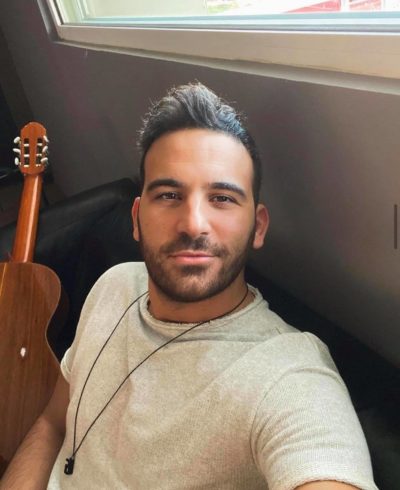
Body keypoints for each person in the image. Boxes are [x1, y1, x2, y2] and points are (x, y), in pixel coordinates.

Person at [1, 82, 377, 490]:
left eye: (222, 198)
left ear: (258, 227)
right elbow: (53, 422)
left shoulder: (289, 377)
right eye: (169, 195)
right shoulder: (112, 285)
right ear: (136, 218)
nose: (193, 224)